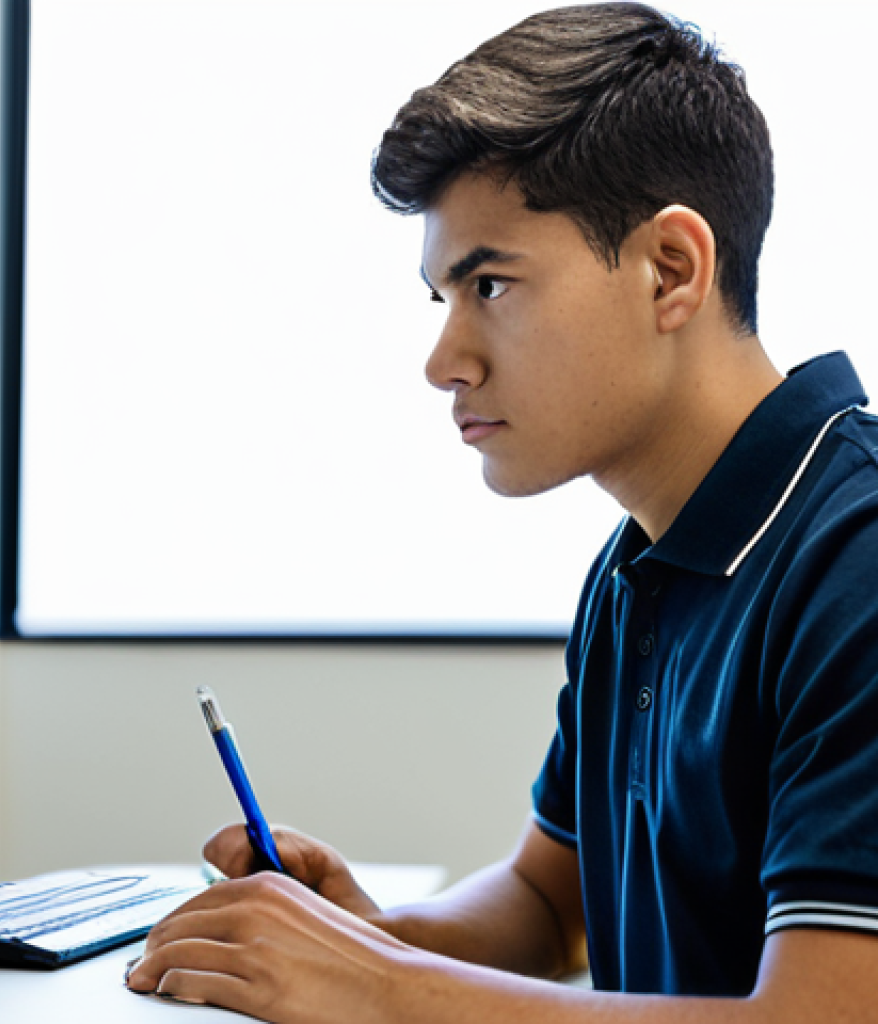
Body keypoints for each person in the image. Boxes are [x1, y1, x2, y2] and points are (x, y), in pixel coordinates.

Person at [127, 3, 878, 1019]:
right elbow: (546, 902)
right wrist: (370, 936)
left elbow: (822, 1016)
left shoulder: (856, 555)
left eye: (489, 283)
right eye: (445, 297)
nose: (444, 363)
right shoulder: (637, 569)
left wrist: (381, 986)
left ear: (672, 270)